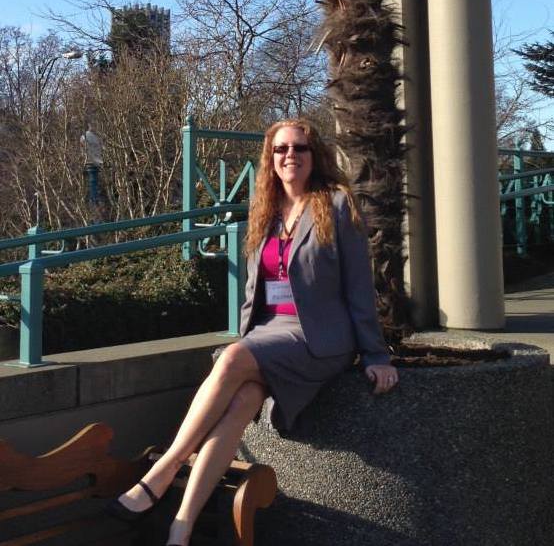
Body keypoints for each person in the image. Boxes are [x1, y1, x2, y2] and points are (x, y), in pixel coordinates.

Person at [109, 118, 399, 546]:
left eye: (299, 148)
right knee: (243, 400)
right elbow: (253, 291)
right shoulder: (264, 209)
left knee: (231, 359)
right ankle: (181, 527)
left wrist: (375, 355)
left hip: (319, 337)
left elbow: (359, 286)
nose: (290, 155)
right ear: (270, 158)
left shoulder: (337, 205)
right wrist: (246, 340)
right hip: (267, 334)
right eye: (281, 149)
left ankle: (163, 470)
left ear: (314, 155)